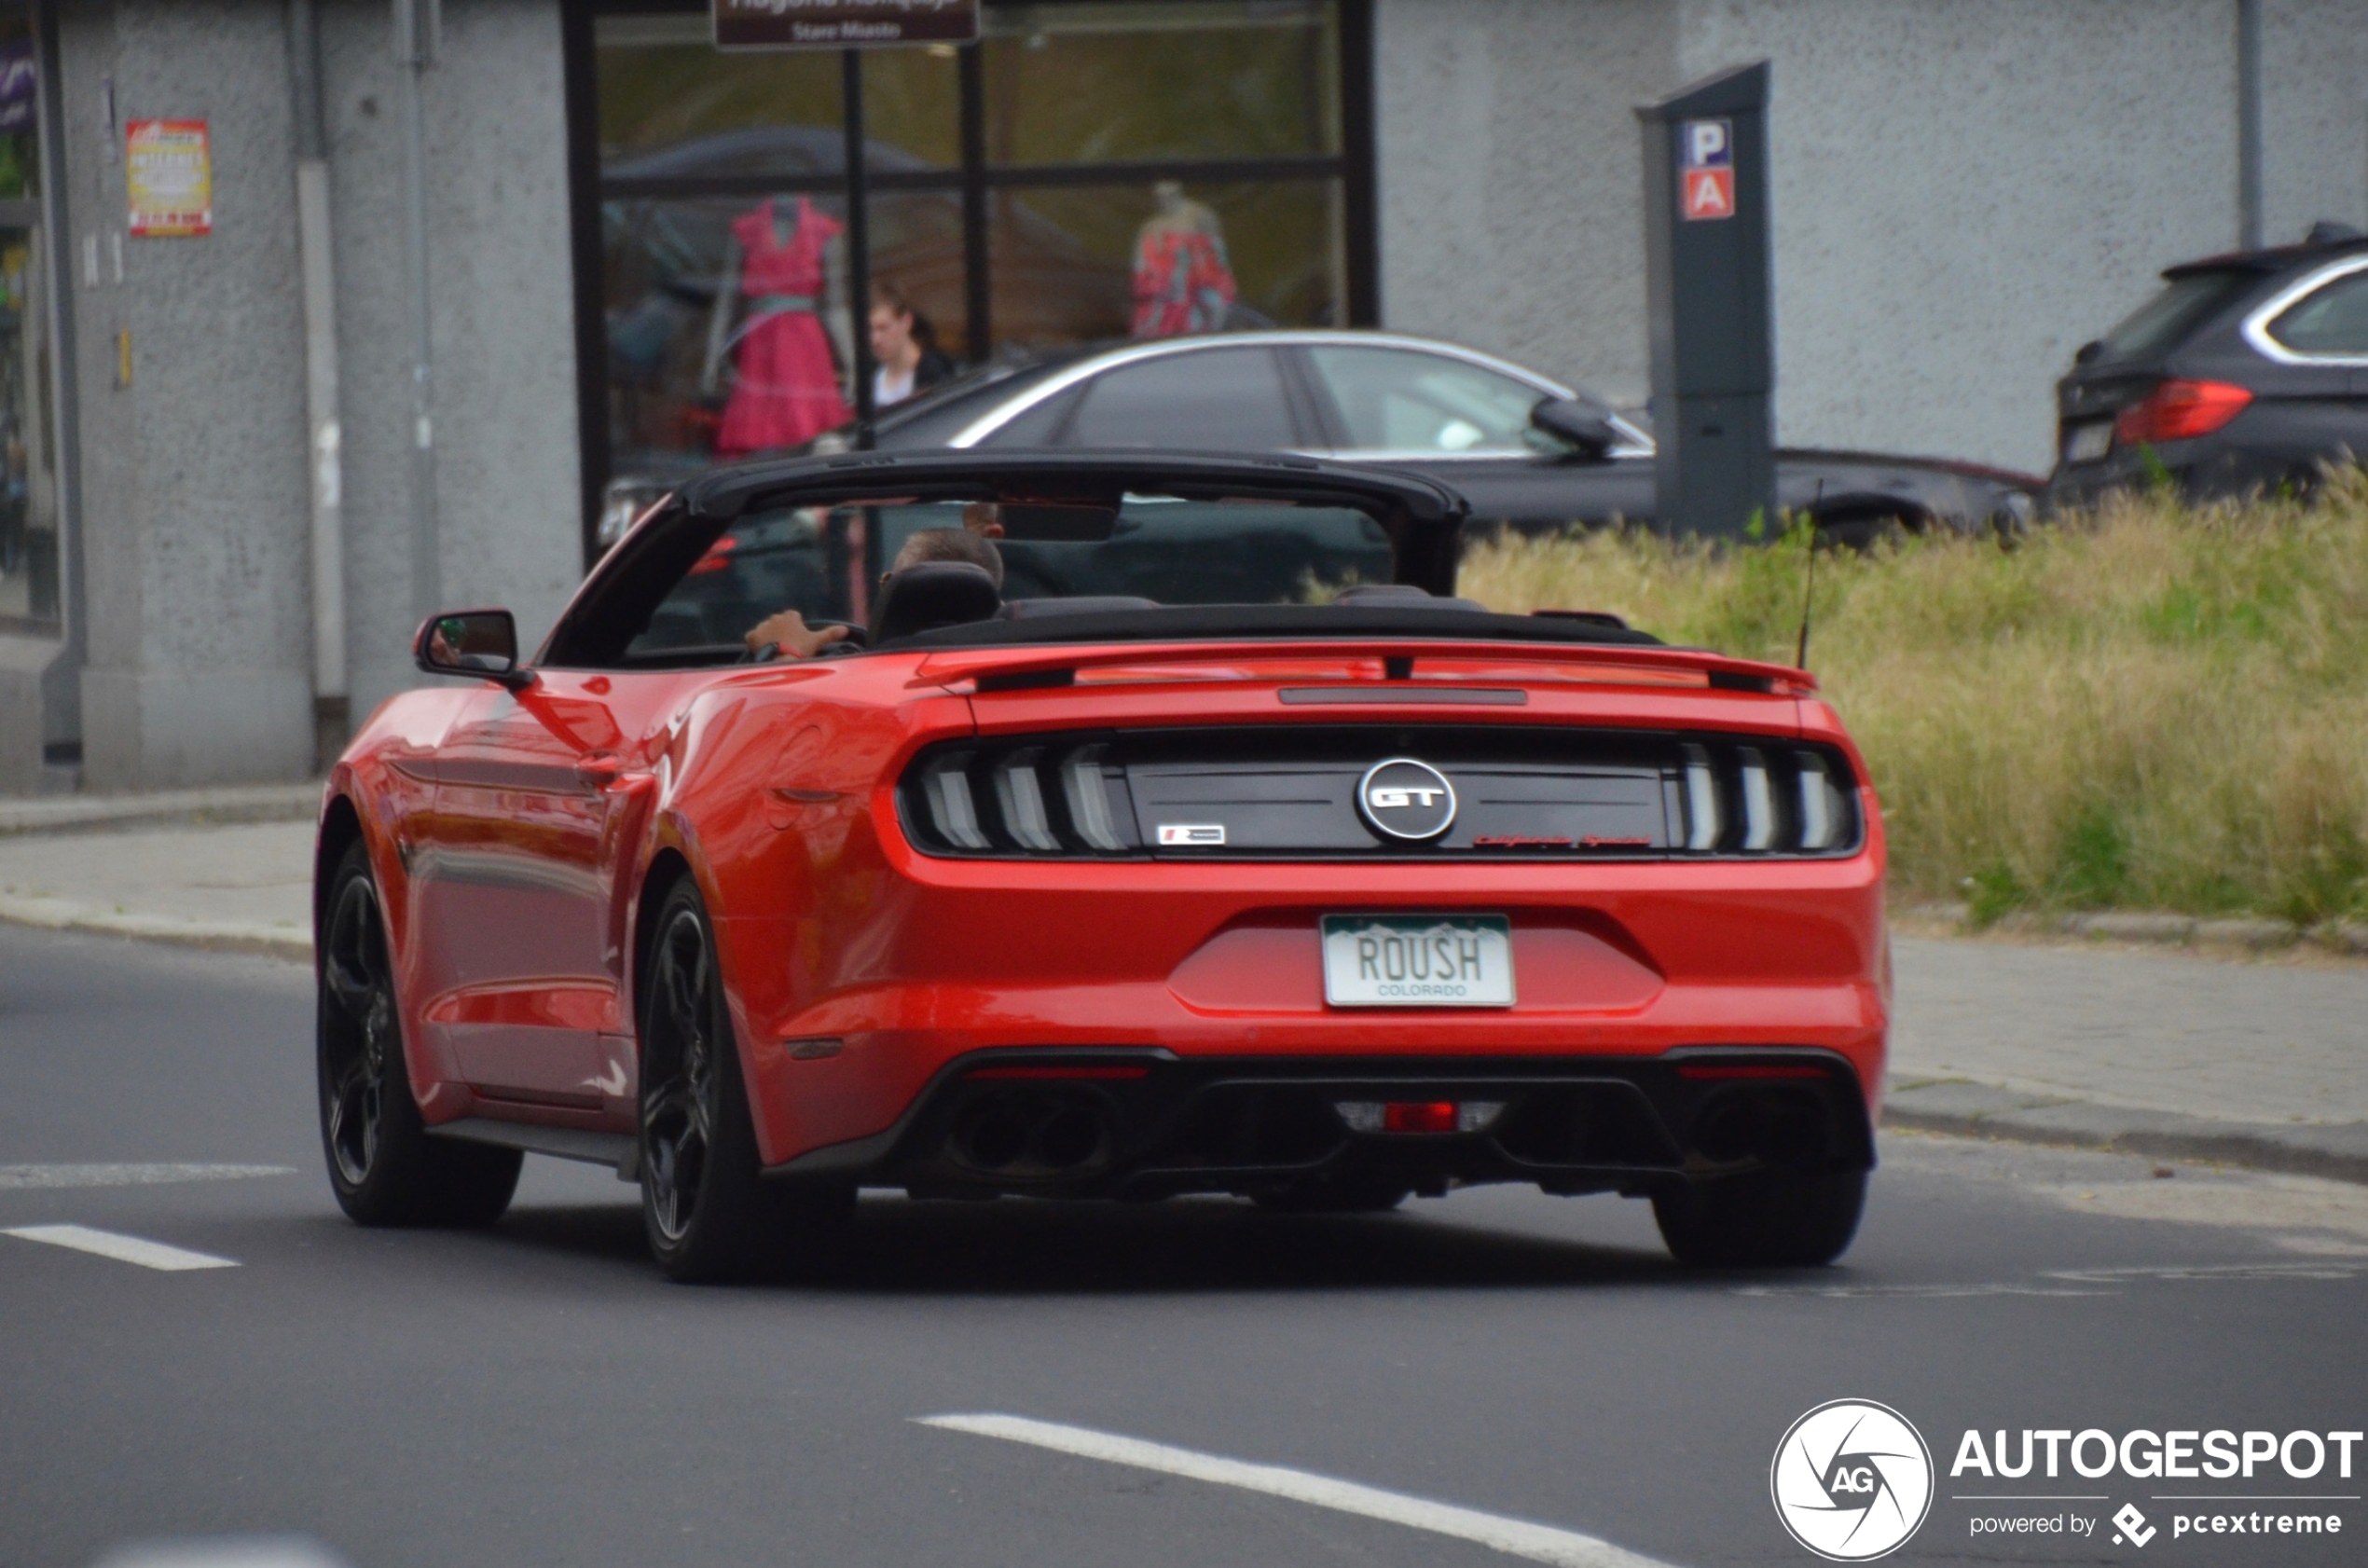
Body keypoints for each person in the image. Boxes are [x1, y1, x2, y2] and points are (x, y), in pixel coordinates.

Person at [744, 524, 1004, 660]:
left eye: (890, 580)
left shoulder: (874, 686)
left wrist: (783, 654)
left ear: (893, 589)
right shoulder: (1014, 673)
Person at [869, 281, 955, 409]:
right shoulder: (871, 379)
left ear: (906, 322)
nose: (875, 339)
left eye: (884, 328)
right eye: (869, 330)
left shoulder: (935, 375)